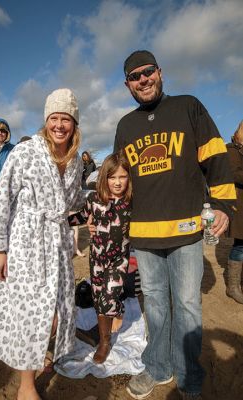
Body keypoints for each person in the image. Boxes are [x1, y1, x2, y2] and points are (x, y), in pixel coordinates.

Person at [113, 50, 236, 399]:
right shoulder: (125, 125)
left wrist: (225, 204)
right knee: (154, 304)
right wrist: (109, 214)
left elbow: (216, 156)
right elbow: (119, 178)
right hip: (144, 234)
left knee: (186, 305)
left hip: (185, 232)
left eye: (148, 71)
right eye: (135, 77)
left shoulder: (188, 106)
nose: (143, 80)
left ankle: (188, 374)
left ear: (160, 72)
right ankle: (158, 367)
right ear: (127, 85)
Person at [0, 88, 85, 400]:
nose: (59, 124)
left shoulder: (76, 160)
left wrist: (91, 214)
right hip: (26, 241)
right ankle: (26, 386)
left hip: (57, 242)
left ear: (74, 124)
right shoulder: (25, 152)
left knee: (56, 311)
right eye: (54, 118)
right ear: (46, 120)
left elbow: (75, 204)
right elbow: (2, 199)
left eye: (65, 119)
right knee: (30, 310)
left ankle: (39, 351)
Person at [69, 151, 132, 364]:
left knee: (108, 298)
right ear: (104, 177)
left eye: (122, 177)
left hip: (119, 259)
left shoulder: (132, 202)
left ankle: (104, 343)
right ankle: (118, 309)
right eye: (112, 177)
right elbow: (80, 217)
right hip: (96, 258)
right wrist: (59, 221)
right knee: (99, 299)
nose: (117, 182)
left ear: (129, 178)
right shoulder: (95, 199)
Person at [226, 120, 243, 303]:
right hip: (239, 205)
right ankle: (233, 287)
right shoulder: (231, 149)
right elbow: (234, 173)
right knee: (240, 245)